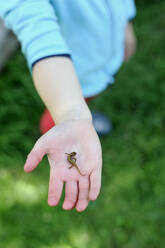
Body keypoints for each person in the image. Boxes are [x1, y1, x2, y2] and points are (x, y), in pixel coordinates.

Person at [0, 0, 136, 212]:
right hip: (69, 79)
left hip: (101, 63)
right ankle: (57, 129)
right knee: (61, 118)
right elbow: (36, 28)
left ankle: (84, 118)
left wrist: (125, 19)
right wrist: (71, 115)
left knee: (88, 100)